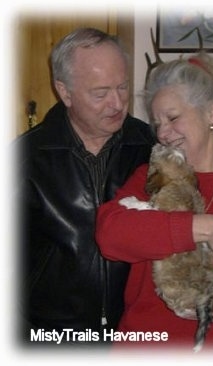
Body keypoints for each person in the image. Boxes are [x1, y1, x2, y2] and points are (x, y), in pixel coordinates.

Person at [96, 52, 213, 352]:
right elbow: (109, 234)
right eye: (156, 122)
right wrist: (205, 227)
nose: (161, 132)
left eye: (173, 118)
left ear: (211, 114)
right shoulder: (153, 177)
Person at [15, 27, 155, 345]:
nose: (117, 103)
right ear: (65, 92)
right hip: (48, 337)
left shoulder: (152, 148)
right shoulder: (23, 159)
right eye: (100, 92)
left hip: (136, 332)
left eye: (122, 87)